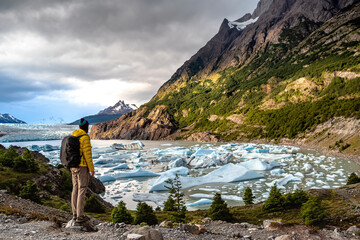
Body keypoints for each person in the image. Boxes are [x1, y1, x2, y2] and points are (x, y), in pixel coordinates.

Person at [71, 118, 95, 223]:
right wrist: (91, 169)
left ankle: (74, 213)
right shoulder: (85, 137)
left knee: (75, 188)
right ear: (87, 127)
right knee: (82, 189)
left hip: (73, 166)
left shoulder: (74, 135)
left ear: (79, 127)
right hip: (82, 167)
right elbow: (87, 155)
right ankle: (80, 216)